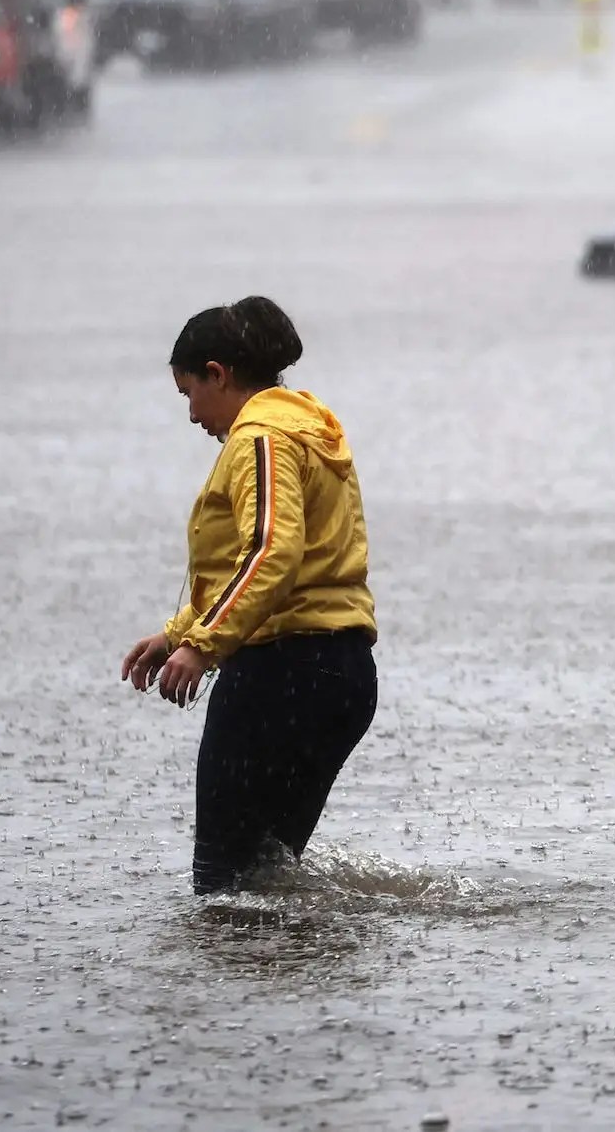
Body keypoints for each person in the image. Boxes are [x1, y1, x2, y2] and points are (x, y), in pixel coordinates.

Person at [119, 297, 379, 893]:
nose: (191, 416)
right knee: (266, 878)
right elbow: (293, 563)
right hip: (342, 675)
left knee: (221, 883)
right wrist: (177, 633)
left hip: (280, 675)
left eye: (189, 394)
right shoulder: (311, 427)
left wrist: (203, 646)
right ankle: (301, 977)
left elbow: (270, 553)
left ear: (219, 374)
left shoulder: (260, 439)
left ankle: (240, 985)